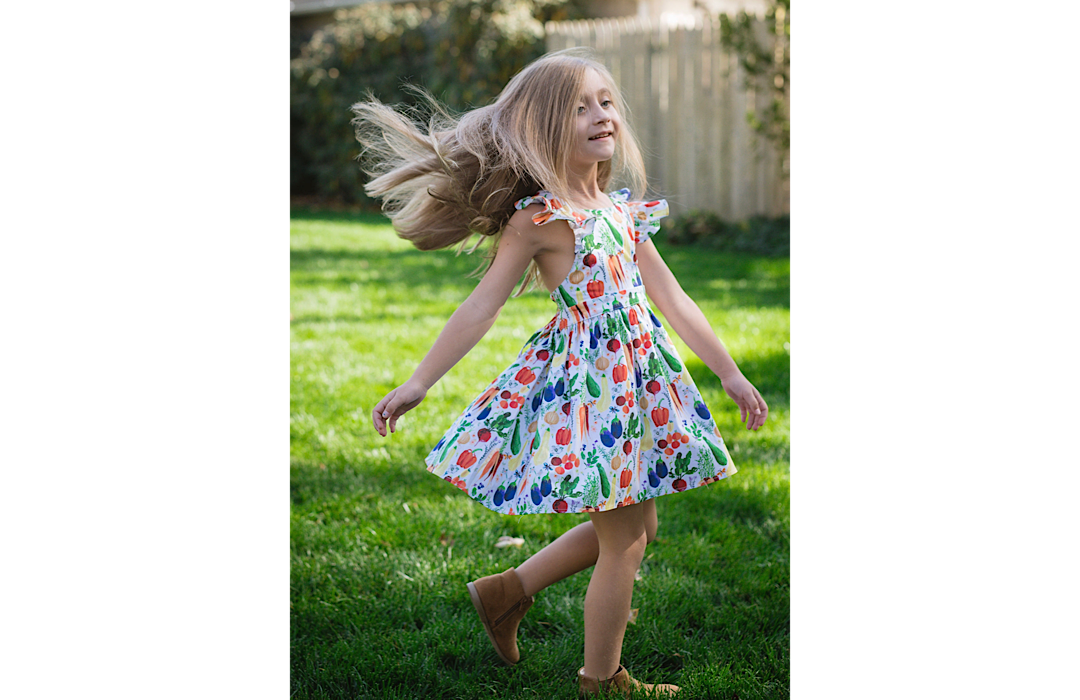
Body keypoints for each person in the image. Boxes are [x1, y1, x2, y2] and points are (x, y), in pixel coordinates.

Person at [354, 48, 768, 698]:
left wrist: (731, 373)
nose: (601, 114)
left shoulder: (624, 211)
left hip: (641, 385)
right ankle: (600, 678)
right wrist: (418, 382)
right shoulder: (540, 220)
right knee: (626, 541)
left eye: (605, 101)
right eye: (579, 107)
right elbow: (480, 308)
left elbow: (673, 299)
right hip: (591, 390)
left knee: (639, 528)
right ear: (544, 129)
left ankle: (506, 591)